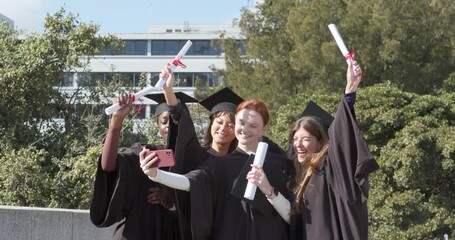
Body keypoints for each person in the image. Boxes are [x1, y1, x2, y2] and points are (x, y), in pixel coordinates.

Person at [247, 61, 379, 239]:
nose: (298, 145)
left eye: (305, 139)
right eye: (295, 139)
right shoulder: (301, 176)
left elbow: (341, 137)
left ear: (320, 142)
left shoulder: (331, 171)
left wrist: (349, 91)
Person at [140, 98, 294, 240]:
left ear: (264, 128)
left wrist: (270, 191)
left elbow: (292, 217)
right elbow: (190, 182)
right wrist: (156, 175)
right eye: (241, 122)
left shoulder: (278, 163)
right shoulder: (220, 164)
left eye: (253, 125)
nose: (245, 129)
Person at [89, 91, 196, 240]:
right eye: (164, 121)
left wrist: (171, 203)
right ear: (157, 125)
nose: (169, 126)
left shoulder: (196, 160)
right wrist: (116, 120)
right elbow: (108, 167)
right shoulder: (145, 153)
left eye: (175, 120)